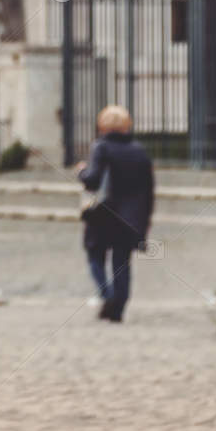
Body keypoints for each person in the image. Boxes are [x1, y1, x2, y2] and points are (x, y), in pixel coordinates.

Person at [76, 105, 154, 323]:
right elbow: (148, 191)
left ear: (102, 126)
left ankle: (107, 295)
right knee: (122, 262)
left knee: (95, 254)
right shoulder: (140, 151)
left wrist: (81, 171)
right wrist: (144, 222)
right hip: (131, 216)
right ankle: (118, 308)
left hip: (103, 213)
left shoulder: (101, 147)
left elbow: (92, 179)